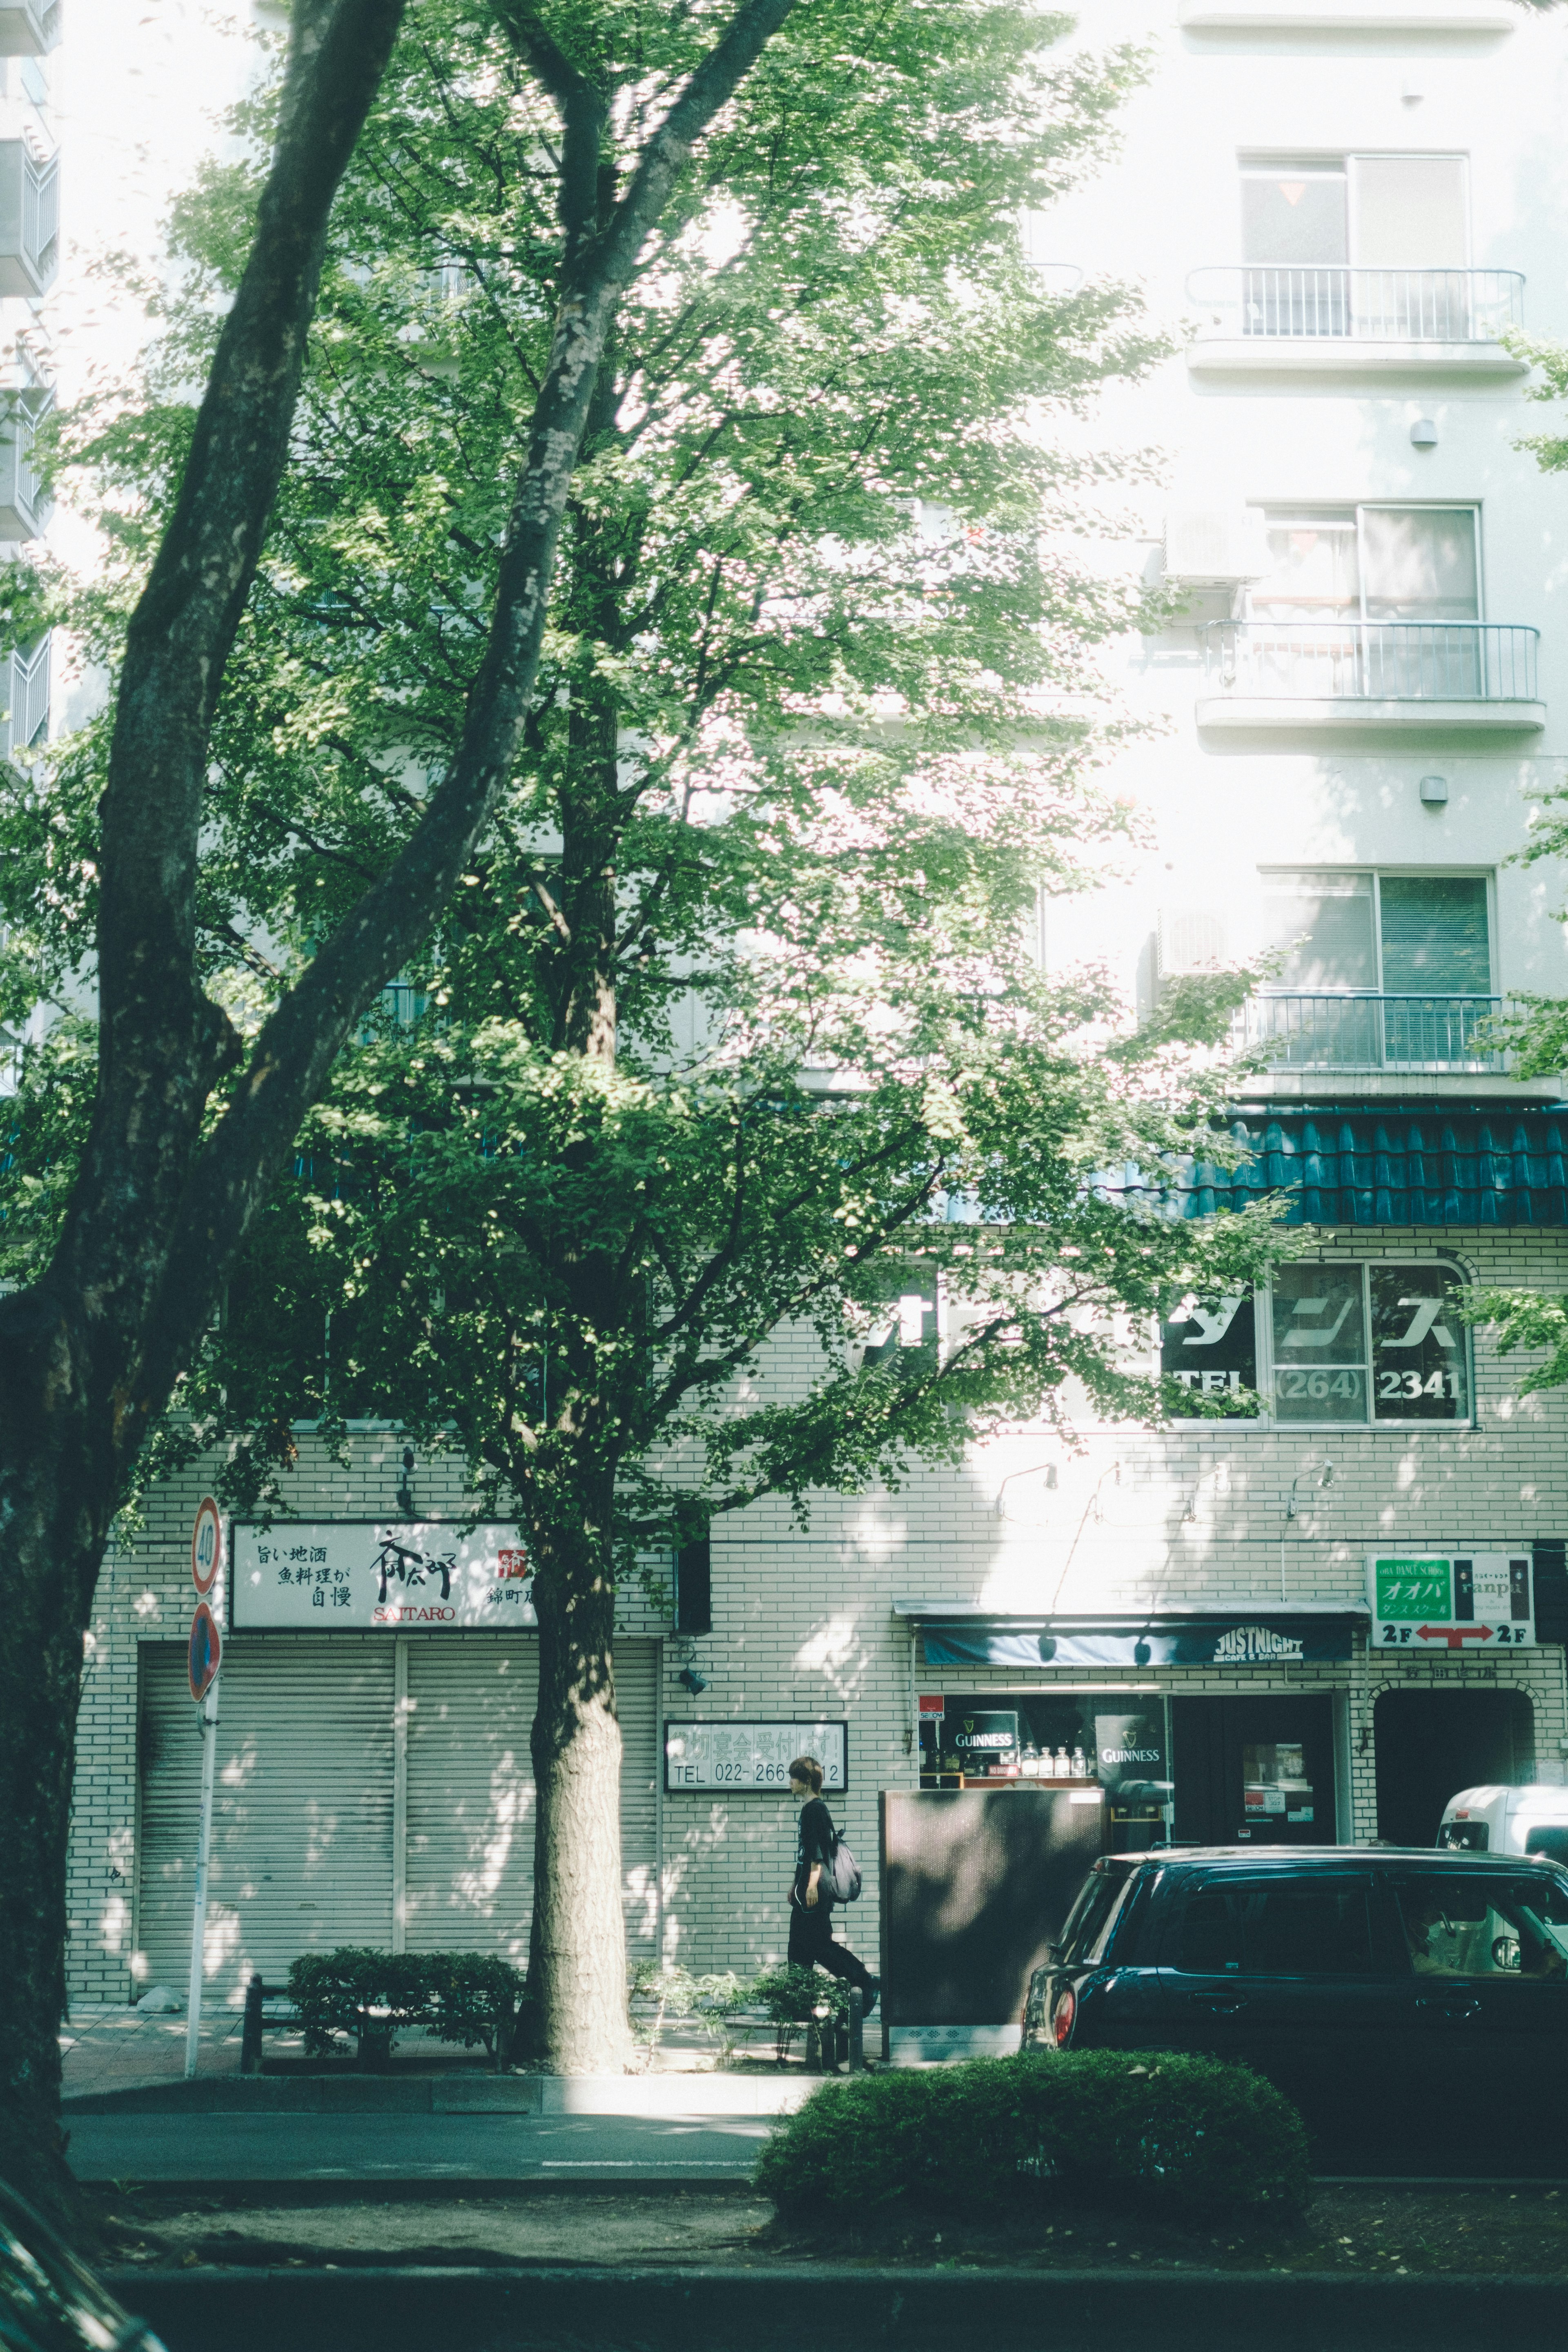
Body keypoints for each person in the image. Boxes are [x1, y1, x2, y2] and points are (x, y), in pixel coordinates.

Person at [786, 1755, 879, 2016]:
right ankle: (801, 2006)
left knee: (815, 1947)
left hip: (814, 1892)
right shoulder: (816, 1809)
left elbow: (817, 1854)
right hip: (808, 1890)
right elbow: (806, 1853)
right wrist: (796, 1883)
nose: (789, 1782)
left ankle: (864, 1980)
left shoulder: (813, 1810)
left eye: (794, 1777)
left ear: (806, 1782)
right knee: (805, 1947)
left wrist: (811, 1886)